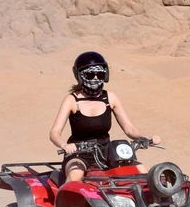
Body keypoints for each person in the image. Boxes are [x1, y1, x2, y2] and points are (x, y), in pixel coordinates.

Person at [49, 51, 160, 184]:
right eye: (90, 74)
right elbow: (54, 133)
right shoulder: (72, 100)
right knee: (75, 175)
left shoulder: (111, 97)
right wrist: (65, 145)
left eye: (100, 74)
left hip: (107, 153)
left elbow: (129, 128)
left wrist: (145, 138)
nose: (95, 78)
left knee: (141, 170)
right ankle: (62, 204)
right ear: (80, 76)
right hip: (79, 154)